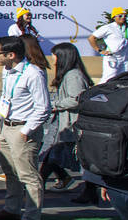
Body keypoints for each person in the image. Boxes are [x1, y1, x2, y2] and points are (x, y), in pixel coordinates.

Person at [0, 35, 52, 220]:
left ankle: (31, 218)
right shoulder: (8, 71)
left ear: (11, 54)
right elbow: (6, 97)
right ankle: (11, 209)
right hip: (6, 126)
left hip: (22, 130)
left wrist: (26, 130)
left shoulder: (33, 74)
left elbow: (43, 107)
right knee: (10, 172)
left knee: (28, 175)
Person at [39, 43, 98, 202]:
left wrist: (56, 105)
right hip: (68, 124)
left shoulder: (73, 76)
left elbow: (77, 99)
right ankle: (88, 190)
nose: (53, 60)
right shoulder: (72, 74)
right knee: (56, 155)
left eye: (55, 56)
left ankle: (39, 184)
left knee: (55, 155)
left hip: (72, 124)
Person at [89, 8, 128, 84]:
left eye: (125, 16)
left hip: (126, 57)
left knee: (123, 79)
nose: (123, 17)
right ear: (114, 17)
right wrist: (99, 50)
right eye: (120, 16)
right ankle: (98, 93)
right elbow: (91, 38)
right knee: (108, 78)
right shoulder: (108, 28)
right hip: (113, 57)